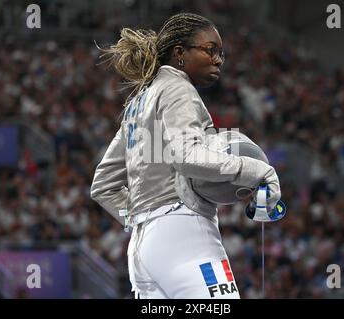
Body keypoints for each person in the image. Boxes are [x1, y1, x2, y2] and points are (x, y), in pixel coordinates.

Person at [91, 13, 281, 299]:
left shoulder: (138, 102)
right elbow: (187, 156)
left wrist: (139, 218)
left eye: (221, 53)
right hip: (184, 236)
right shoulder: (178, 89)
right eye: (210, 50)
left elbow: (102, 185)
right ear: (180, 53)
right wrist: (257, 172)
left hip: (143, 250)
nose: (218, 59)